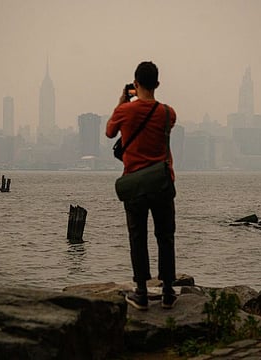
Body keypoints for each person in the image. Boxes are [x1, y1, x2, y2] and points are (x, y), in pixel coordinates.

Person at [106, 61, 178, 310]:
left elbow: (109, 132)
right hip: (161, 181)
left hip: (135, 183)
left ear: (135, 84)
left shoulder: (125, 111)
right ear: (157, 84)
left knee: (138, 237)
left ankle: (141, 293)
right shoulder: (169, 113)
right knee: (165, 236)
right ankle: (168, 291)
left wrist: (123, 101)